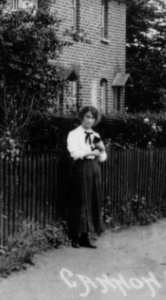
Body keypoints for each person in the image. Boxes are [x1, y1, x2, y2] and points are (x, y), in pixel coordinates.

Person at [67, 105, 107, 248]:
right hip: (81, 168)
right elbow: (74, 153)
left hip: (94, 169)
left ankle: (85, 237)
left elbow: (103, 156)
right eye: (87, 117)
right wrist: (91, 152)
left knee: (92, 201)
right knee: (80, 202)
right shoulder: (74, 134)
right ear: (82, 117)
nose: (89, 120)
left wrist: (98, 154)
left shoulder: (96, 135)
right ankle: (74, 237)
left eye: (92, 118)